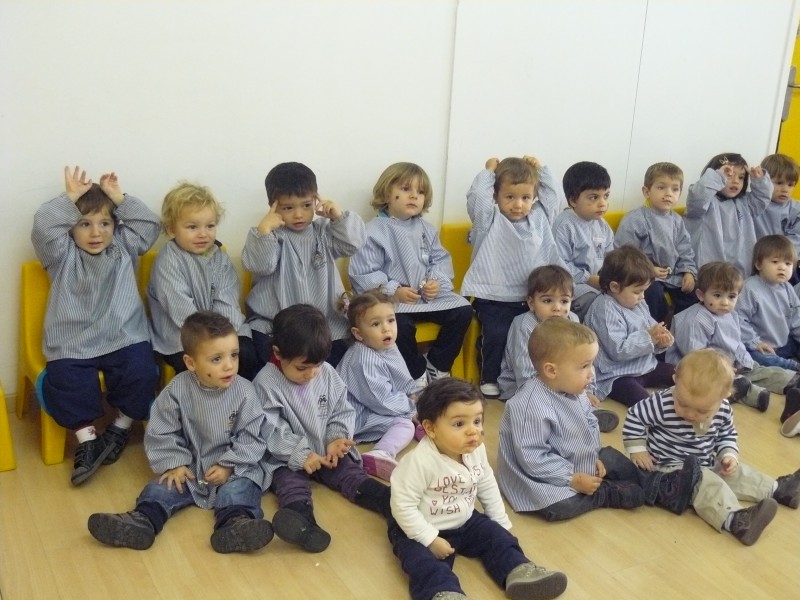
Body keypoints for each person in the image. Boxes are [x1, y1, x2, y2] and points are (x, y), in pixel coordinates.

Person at [87, 312, 274, 553]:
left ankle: (235, 524)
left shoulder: (245, 392)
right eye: (217, 359)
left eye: (234, 355)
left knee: (240, 490)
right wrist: (175, 463)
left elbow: (252, 437)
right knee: (161, 488)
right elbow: (162, 429)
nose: (229, 365)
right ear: (191, 363)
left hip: (235, 468)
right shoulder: (177, 390)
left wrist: (229, 465)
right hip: (190, 467)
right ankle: (143, 519)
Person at [31, 166, 160, 486]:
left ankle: (119, 428)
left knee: (143, 371)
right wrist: (70, 198)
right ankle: (87, 440)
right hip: (72, 341)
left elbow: (150, 225)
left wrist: (120, 198)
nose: (96, 233)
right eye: (84, 224)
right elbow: (43, 225)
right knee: (64, 380)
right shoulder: (60, 255)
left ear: (115, 226)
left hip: (123, 336)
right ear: (70, 229)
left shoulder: (124, 248)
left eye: (104, 223)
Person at [496, 319, 699, 521]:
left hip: (576, 458)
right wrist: (571, 478)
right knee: (559, 505)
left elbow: (589, 426)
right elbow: (532, 458)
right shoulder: (529, 404)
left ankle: (660, 487)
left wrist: (593, 458)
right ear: (551, 370)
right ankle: (603, 493)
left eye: (592, 364)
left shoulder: (575, 389)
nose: (592, 373)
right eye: (584, 366)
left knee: (613, 459)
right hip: (540, 476)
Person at [389, 378, 568, 600]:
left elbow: (486, 484)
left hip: (466, 520)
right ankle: (442, 593)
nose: (473, 431)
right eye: (459, 424)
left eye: (477, 421)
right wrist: (429, 538)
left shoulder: (475, 450)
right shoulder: (418, 463)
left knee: (498, 539)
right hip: (421, 526)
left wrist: (500, 523)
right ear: (430, 428)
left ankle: (519, 571)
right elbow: (403, 506)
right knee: (422, 562)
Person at [624, 349, 800, 546]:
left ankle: (779, 489)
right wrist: (637, 449)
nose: (690, 414)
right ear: (675, 380)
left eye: (702, 411)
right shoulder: (660, 402)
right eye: (683, 404)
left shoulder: (723, 409)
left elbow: (727, 434)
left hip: (706, 461)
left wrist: (728, 454)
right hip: (670, 469)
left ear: (725, 395)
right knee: (707, 485)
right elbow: (635, 416)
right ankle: (735, 519)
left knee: (735, 472)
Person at [254, 304, 391, 553]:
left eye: (317, 365)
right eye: (302, 368)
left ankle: (388, 502)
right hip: (287, 458)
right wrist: (301, 455)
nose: (311, 374)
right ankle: (303, 524)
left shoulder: (326, 373)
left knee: (350, 473)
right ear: (278, 353)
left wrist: (336, 438)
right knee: (290, 484)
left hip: (325, 452)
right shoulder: (266, 382)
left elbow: (341, 409)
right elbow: (270, 430)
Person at [348, 162, 473, 389]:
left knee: (463, 310)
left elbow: (439, 259)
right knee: (399, 327)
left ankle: (438, 364)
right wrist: (393, 291)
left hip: (426, 299)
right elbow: (365, 272)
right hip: (393, 303)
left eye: (420, 192)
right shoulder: (373, 231)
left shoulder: (427, 229)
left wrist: (436, 282)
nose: (414, 196)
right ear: (387, 194)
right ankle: (415, 372)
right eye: (406, 189)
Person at [461, 155, 565, 399]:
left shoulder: (539, 218)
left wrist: (541, 169)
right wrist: (489, 172)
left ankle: (537, 377)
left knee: (536, 336)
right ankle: (490, 376)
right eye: (509, 197)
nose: (518, 204)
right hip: (494, 297)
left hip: (532, 297)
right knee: (497, 334)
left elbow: (553, 198)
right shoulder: (488, 220)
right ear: (496, 196)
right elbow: (477, 198)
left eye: (526, 198)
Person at [242, 162, 365, 368]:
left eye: (306, 205)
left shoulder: (324, 231)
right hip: (275, 322)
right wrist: (264, 231)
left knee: (342, 357)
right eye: (288, 208)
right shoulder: (270, 235)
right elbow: (260, 265)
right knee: (268, 356)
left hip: (325, 322)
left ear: (316, 199)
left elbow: (353, 245)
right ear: (273, 206)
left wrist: (338, 217)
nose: (298, 214)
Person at [147, 182, 259, 380]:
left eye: (210, 226)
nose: (203, 234)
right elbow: (179, 308)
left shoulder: (219, 256)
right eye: (192, 227)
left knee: (248, 356)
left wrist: (222, 337)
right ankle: (200, 400)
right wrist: (209, 339)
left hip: (223, 330)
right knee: (197, 367)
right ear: (172, 229)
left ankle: (241, 398)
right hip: (183, 336)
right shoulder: (168, 260)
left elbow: (227, 299)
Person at [667, 261, 800, 415]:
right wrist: (723, 368)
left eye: (731, 297)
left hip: (731, 363)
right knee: (721, 384)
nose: (725, 302)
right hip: (703, 369)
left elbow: (737, 342)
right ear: (701, 295)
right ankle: (754, 395)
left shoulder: (731, 315)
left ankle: (791, 381)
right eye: (717, 295)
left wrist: (745, 360)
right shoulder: (695, 320)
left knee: (758, 370)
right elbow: (695, 355)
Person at [496, 265, 619, 432]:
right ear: (531, 303)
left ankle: (588, 414)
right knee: (545, 407)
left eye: (564, 301)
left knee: (577, 396)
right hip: (523, 386)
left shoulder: (572, 320)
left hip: (562, 380)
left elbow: (585, 360)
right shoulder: (524, 326)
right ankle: (571, 417)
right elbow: (524, 372)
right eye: (547, 301)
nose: (557, 308)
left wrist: (587, 389)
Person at [336, 290, 418, 481]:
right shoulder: (363, 359)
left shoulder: (385, 345)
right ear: (358, 334)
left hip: (377, 405)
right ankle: (381, 453)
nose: (386, 329)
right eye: (375, 324)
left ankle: (420, 420)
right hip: (358, 415)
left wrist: (413, 396)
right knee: (404, 424)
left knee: (424, 405)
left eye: (391, 320)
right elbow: (382, 401)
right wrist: (412, 406)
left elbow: (401, 379)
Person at [583, 245, 675, 407]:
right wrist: (650, 337)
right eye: (637, 291)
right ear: (614, 287)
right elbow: (618, 350)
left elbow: (652, 327)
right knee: (643, 401)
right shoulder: (604, 308)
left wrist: (662, 340)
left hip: (645, 366)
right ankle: (657, 414)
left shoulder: (637, 303)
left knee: (679, 374)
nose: (642, 296)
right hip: (617, 375)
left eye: (644, 291)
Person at [614, 162, 697, 323]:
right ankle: (653, 328)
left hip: (673, 277)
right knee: (652, 294)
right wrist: (648, 269)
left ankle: (681, 330)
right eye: (661, 187)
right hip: (645, 276)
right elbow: (624, 253)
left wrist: (688, 272)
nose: (668, 194)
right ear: (647, 191)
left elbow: (685, 250)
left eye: (674, 189)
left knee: (692, 293)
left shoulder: (677, 221)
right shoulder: (635, 219)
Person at [683, 153, 772, 275]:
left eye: (741, 177)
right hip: (709, 273)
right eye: (729, 175)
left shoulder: (745, 203)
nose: (735, 181)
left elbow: (762, 199)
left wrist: (760, 181)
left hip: (741, 274)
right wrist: (717, 177)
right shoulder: (705, 202)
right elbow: (697, 198)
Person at [552, 161, 614, 320]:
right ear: (573, 200)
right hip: (570, 285)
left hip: (598, 282)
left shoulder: (602, 225)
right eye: (594, 197)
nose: (603, 203)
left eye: (606, 196)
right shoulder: (564, 225)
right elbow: (560, 265)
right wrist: (589, 279)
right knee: (597, 301)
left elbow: (611, 258)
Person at [736, 235, 800, 372]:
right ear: (758, 264)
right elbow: (739, 320)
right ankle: (792, 367)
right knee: (755, 357)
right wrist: (755, 342)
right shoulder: (750, 288)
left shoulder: (787, 288)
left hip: (785, 343)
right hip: (762, 347)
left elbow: (796, 318)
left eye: (788, 264)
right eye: (775, 262)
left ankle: (788, 365)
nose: (782, 268)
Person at [754, 154, 800, 264]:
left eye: (790, 185)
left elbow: (797, 239)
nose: (785, 189)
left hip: (784, 262)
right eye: (779, 183)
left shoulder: (796, 209)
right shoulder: (754, 203)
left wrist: (775, 254)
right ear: (765, 180)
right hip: (755, 259)